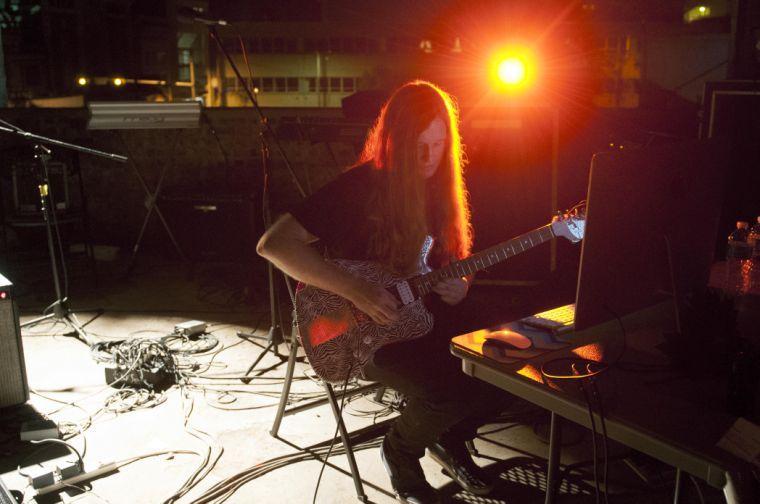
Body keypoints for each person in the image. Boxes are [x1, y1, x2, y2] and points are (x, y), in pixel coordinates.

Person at [257, 80, 511, 503]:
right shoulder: (358, 187)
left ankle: (450, 437)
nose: (430, 157)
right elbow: (273, 244)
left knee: (512, 362)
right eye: (419, 145)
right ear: (394, 140)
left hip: (425, 317)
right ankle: (401, 453)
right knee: (450, 388)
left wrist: (461, 285)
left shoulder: (442, 190)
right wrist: (356, 289)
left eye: (438, 144)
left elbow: (456, 261)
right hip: (364, 331)